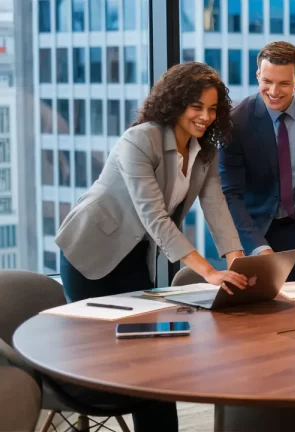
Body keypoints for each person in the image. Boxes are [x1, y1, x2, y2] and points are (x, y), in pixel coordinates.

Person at [55, 62, 250, 431]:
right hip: (88, 252)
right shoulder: (140, 139)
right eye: (197, 107)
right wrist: (208, 271)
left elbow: (216, 207)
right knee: (104, 355)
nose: (205, 117)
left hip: (133, 257)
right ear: (175, 103)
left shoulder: (204, 152)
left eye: (212, 109)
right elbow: (154, 217)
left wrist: (237, 262)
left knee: (152, 363)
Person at [220, 41, 295, 281]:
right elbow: (230, 194)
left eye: (284, 83)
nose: (274, 91)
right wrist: (258, 248)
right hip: (253, 232)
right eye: (267, 81)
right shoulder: (236, 122)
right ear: (257, 75)